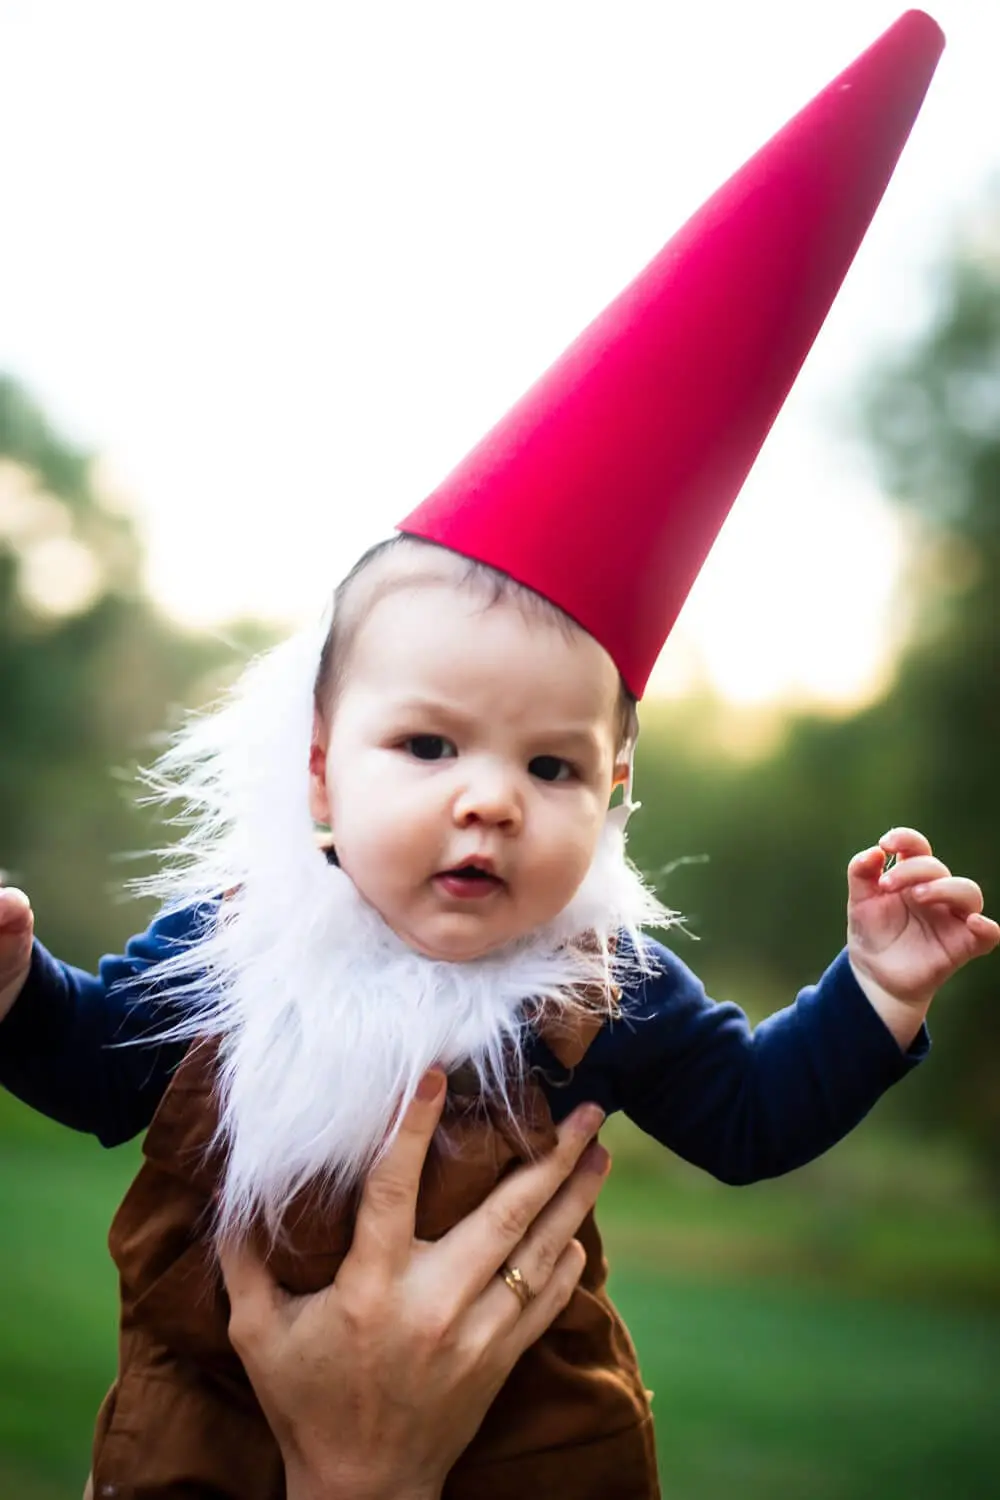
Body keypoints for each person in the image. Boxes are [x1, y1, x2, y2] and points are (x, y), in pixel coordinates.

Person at [2, 13, 987, 1500]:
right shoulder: (236, 952)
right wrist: (15, 989)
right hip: (202, 1445)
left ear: (615, 799)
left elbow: (749, 1121)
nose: (487, 797)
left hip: (536, 1457)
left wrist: (875, 993)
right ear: (322, 777)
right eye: (428, 744)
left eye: (551, 769)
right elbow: (90, 1069)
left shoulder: (599, 993)